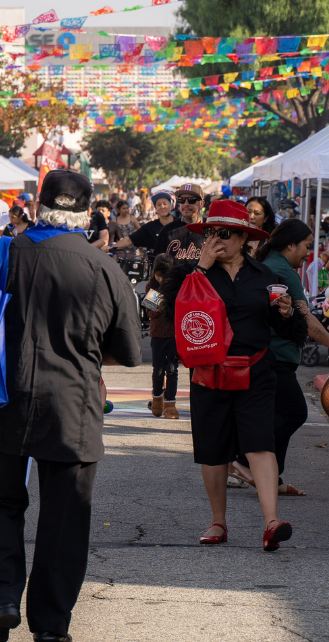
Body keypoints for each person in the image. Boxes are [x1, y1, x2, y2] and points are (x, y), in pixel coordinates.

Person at [0, 170, 140, 642]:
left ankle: (2, 597)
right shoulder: (104, 267)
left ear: (37, 206)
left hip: (0, 395)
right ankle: (51, 626)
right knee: (65, 516)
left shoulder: (1, 253)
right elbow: (127, 350)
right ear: (87, 213)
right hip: (73, 404)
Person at [159, 201, 306, 550]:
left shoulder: (265, 276)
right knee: (212, 449)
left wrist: (286, 313)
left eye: (225, 234)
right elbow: (173, 313)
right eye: (211, 233)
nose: (216, 239)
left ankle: (271, 522)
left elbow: (286, 329)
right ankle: (217, 522)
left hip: (254, 369)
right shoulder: (191, 274)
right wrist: (201, 268)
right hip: (208, 372)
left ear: (243, 238)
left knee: (260, 442)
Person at [252, 219, 329, 497]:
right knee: (294, 412)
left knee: (278, 413)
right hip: (275, 355)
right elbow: (306, 319)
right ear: (290, 244)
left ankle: (271, 476)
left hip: (269, 353)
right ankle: (247, 460)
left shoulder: (270, 264)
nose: (309, 253)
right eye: (306, 246)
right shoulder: (282, 270)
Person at [144, 253, 179, 419]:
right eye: (158, 275)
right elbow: (150, 312)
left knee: (172, 369)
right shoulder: (152, 287)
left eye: (164, 276)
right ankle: (157, 399)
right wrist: (159, 308)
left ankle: (170, 403)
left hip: (174, 334)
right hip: (157, 334)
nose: (161, 279)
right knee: (158, 369)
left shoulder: (176, 287)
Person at [112, 189, 177, 257]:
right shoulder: (150, 227)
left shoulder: (180, 225)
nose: (162, 207)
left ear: (172, 206)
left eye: (165, 204)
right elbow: (129, 240)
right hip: (156, 266)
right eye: (158, 204)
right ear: (155, 208)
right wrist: (111, 248)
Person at [162, 182, 206, 261]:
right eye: (181, 200)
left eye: (191, 200)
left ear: (201, 204)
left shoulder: (211, 229)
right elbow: (158, 266)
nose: (186, 204)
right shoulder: (167, 231)